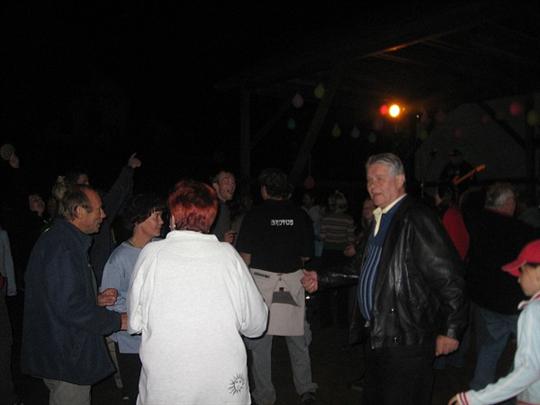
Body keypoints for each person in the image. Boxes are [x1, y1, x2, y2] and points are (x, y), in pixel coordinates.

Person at [303, 153, 467, 405]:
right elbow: (362, 266)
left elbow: (449, 276)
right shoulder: (381, 218)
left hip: (407, 338)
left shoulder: (416, 217)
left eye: (379, 178)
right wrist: (322, 278)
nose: (372, 185)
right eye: (369, 180)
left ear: (400, 180)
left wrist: (451, 330)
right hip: (379, 333)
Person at [127, 180, 267, 404]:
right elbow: (256, 325)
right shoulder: (229, 256)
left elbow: (134, 322)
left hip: (167, 388)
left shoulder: (151, 254)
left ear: (173, 218)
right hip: (222, 389)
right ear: (210, 219)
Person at [21, 184, 127, 405]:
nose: (104, 215)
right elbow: (71, 308)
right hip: (64, 353)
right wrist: (119, 321)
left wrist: (94, 299)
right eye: (98, 209)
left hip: (59, 346)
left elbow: (56, 296)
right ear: (79, 211)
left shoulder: (63, 240)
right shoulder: (63, 247)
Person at [236, 168, 318, 405]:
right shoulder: (300, 215)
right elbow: (306, 256)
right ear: (287, 192)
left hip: (261, 282)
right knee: (297, 338)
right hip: (292, 280)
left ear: (264, 190)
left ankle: (264, 396)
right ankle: (306, 389)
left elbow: (245, 257)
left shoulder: (254, 215)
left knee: (261, 343)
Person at [466, 183, 539, 392]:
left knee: (490, 348)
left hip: (485, 299)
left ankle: (479, 390)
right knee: (527, 353)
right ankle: (508, 392)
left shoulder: (475, 221)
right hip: (513, 304)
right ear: (508, 203)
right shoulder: (518, 230)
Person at [449, 240, 540, 405]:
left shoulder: (534, 311)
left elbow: (529, 369)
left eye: (521, 271)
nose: (518, 280)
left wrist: (474, 399)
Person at [100, 194, 164, 404]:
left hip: (161, 340)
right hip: (132, 345)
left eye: (161, 216)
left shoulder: (162, 248)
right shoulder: (119, 258)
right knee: (137, 395)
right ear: (138, 220)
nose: (161, 221)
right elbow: (109, 303)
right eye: (155, 216)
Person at [211, 170, 237, 243]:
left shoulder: (224, 207)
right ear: (216, 186)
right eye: (226, 182)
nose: (231, 186)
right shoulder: (214, 208)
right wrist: (223, 241)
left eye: (233, 183)